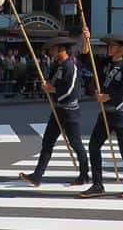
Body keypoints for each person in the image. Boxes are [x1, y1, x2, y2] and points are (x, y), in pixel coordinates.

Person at [19, 37, 89, 187]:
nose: (51, 52)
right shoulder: (58, 65)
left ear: (62, 49)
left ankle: (84, 174)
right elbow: (53, 82)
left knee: (75, 144)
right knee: (47, 143)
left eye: (53, 49)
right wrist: (48, 86)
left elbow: (71, 90)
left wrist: (53, 90)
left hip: (70, 111)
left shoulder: (71, 65)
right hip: (57, 110)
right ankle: (37, 176)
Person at [78, 32, 123, 199]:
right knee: (93, 146)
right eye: (109, 45)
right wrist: (86, 39)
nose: (109, 48)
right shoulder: (105, 63)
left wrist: (108, 97)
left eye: (113, 45)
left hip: (121, 115)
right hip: (105, 114)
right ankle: (98, 184)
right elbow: (85, 57)